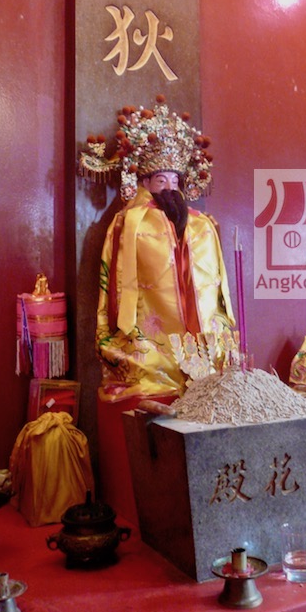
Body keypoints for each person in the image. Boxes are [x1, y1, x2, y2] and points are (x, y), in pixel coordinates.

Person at [79, 95, 235, 405]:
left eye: (174, 181)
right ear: (145, 182)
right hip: (149, 327)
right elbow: (118, 279)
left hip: (197, 323)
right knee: (147, 350)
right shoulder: (130, 222)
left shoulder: (200, 224)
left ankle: (205, 362)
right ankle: (157, 367)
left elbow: (214, 282)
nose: (168, 188)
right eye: (161, 180)